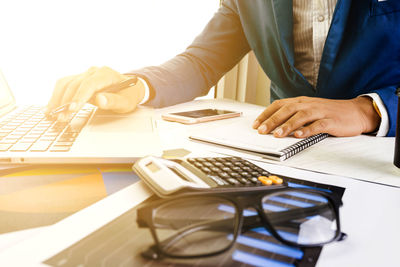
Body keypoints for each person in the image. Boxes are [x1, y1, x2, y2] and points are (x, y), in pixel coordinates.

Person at [46, 0, 399, 138]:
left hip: (383, 154)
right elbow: (202, 61)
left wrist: (368, 110)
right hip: (282, 150)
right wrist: (135, 85)